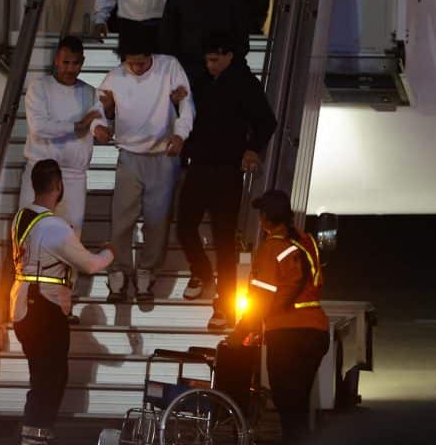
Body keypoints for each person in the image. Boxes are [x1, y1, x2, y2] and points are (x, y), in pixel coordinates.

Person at [177, 31, 276, 329]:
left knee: (224, 240)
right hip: (199, 166)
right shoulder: (201, 81)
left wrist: (252, 148)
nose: (210, 65)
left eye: (215, 60)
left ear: (229, 56)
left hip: (227, 171)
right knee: (184, 225)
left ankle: (225, 306)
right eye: (207, 60)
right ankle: (203, 272)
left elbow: (266, 121)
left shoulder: (245, 84)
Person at [11, 159, 114, 445]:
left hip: (23, 303)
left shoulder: (22, 217)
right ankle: (35, 434)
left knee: (42, 374)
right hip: (43, 307)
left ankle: (34, 432)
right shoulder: (54, 227)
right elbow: (91, 264)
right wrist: (110, 252)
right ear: (58, 186)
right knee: (51, 376)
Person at [90, 37, 194, 303]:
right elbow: (97, 106)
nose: (136, 68)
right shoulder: (115, 77)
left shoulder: (169, 67)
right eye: (131, 64)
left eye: (141, 63)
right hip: (129, 155)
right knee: (121, 219)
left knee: (157, 220)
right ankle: (118, 271)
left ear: (151, 57)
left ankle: (147, 271)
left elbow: (186, 104)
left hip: (163, 155)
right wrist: (98, 127)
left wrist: (180, 135)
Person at [226, 189, 330, 445]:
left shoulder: (271, 248)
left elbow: (261, 299)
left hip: (288, 336)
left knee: (286, 403)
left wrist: (240, 333)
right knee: (298, 403)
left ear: (264, 219)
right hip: (316, 331)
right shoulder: (306, 241)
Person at [21, 36, 101, 238]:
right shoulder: (39, 87)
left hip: (74, 176)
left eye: (75, 63)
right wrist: (76, 127)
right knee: (31, 235)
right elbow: (38, 127)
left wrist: (104, 127)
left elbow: (100, 125)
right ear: (56, 60)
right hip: (40, 173)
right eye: (66, 62)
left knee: (70, 239)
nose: (70, 69)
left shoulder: (91, 93)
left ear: (82, 62)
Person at [158, 0, 251, 80]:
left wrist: (229, 58)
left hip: (222, 64)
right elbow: (167, 32)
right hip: (187, 64)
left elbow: (241, 34)